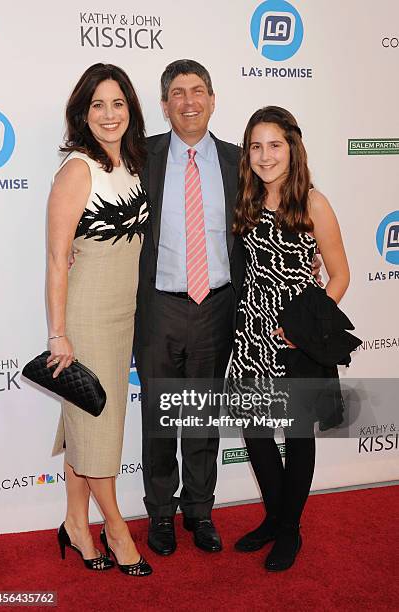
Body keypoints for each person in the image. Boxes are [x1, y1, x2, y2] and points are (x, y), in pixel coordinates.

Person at [229, 106, 350, 571]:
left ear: (292, 147)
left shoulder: (313, 203)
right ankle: (276, 518)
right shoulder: (247, 199)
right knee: (256, 432)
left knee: (299, 437)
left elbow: (339, 275)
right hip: (251, 335)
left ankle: (289, 529)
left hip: (297, 342)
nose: (265, 155)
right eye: (256, 146)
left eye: (274, 144)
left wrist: (304, 328)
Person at [134, 59, 246, 555]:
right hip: (158, 307)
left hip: (217, 307)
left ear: (213, 98)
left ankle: (199, 512)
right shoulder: (143, 157)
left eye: (198, 90)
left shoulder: (239, 161)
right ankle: (160, 514)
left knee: (202, 418)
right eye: (177, 93)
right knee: (160, 416)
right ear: (164, 105)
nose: (189, 101)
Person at [47, 63, 152, 575]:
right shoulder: (77, 169)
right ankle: (116, 528)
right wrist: (58, 333)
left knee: (84, 419)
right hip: (86, 316)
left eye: (118, 104)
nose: (109, 115)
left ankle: (73, 522)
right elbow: (56, 258)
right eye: (97, 105)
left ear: (130, 109)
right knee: (99, 425)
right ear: (82, 113)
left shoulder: (132, 164)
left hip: (124, 314)